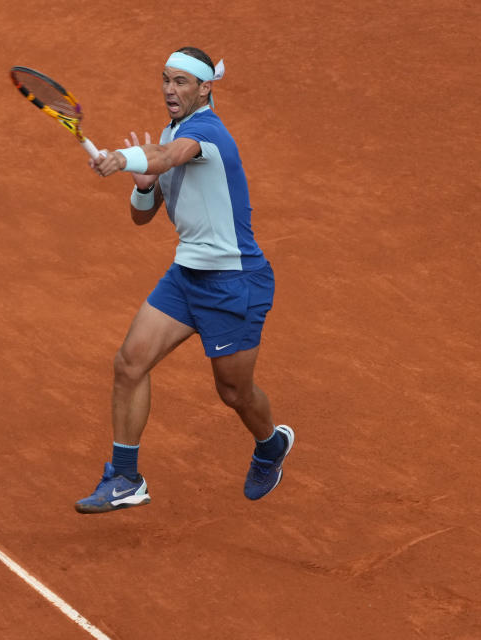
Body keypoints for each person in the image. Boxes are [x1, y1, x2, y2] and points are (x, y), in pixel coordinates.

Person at [74, 47, 294, 514]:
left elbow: (168, 155)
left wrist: (125, 157)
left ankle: (271, 444)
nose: (170, 91)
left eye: (181, 83)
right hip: (188, 276)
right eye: (165, 81)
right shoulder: (171, 131)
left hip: (235, 282)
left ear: (204, 88)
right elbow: (145, 213)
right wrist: (141, 181)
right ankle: (126, 477)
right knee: (129, 363)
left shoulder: (206, 132)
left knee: (233, 392)